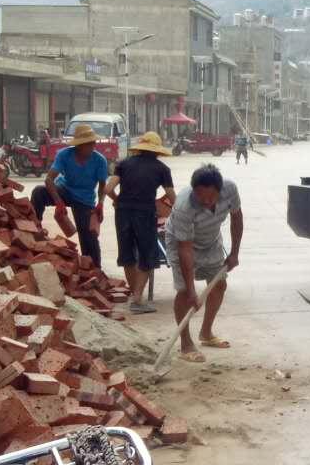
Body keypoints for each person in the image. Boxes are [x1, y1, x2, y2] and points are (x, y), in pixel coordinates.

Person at [165, 165, 243, 363]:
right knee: (184, 293)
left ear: (220, 190)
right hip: (180, 242)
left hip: (211, 239)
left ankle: (206, 333)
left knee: (219, 285)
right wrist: (192, 291)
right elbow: (185, 249)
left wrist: (234, 253)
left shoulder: (230, 189)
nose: (207, 202)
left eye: (211, 197)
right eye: (201, 197)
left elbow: (237, 217)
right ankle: (185, 344)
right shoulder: (184, 206)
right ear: (194, 191)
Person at [107, 131, 176, 313]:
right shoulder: (162, 169)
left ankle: (136, 297)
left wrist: (117, 200)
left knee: (127, 255)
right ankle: (137, 299)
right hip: (145, 214)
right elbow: (171, 197)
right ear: (157, 151)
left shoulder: (124, 164)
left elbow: (108, 188)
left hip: (122, 213)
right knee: (147, 255)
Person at [30, 124, 109, 267]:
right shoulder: (64, 155)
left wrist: (101, 204)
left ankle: (94, 268)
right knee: (38, 192)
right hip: (64, 190)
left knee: (89, 236)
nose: (93, 146)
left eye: (93, 143)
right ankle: (35, 228)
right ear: (79, 145)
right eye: (89, 144)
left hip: (85, 199)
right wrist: (58, 202)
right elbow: (49, 179)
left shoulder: (100, 160)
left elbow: (103, 186)